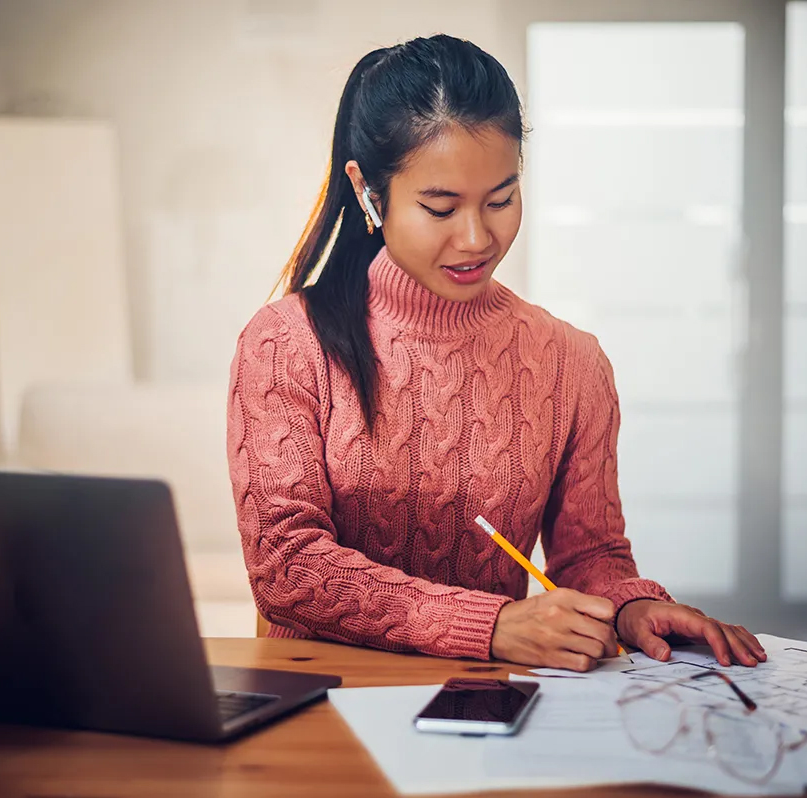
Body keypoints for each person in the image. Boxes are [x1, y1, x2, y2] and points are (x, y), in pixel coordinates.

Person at [226, 34, 766, 671]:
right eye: (440, 207)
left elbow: (590, 558)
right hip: (322, 701)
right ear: (369, 191)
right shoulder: (286, 344)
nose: (478, 237)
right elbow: (286, 566)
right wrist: (490, 625)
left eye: (501, 200)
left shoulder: (572, 362)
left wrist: (627, 607)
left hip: (493, 704)